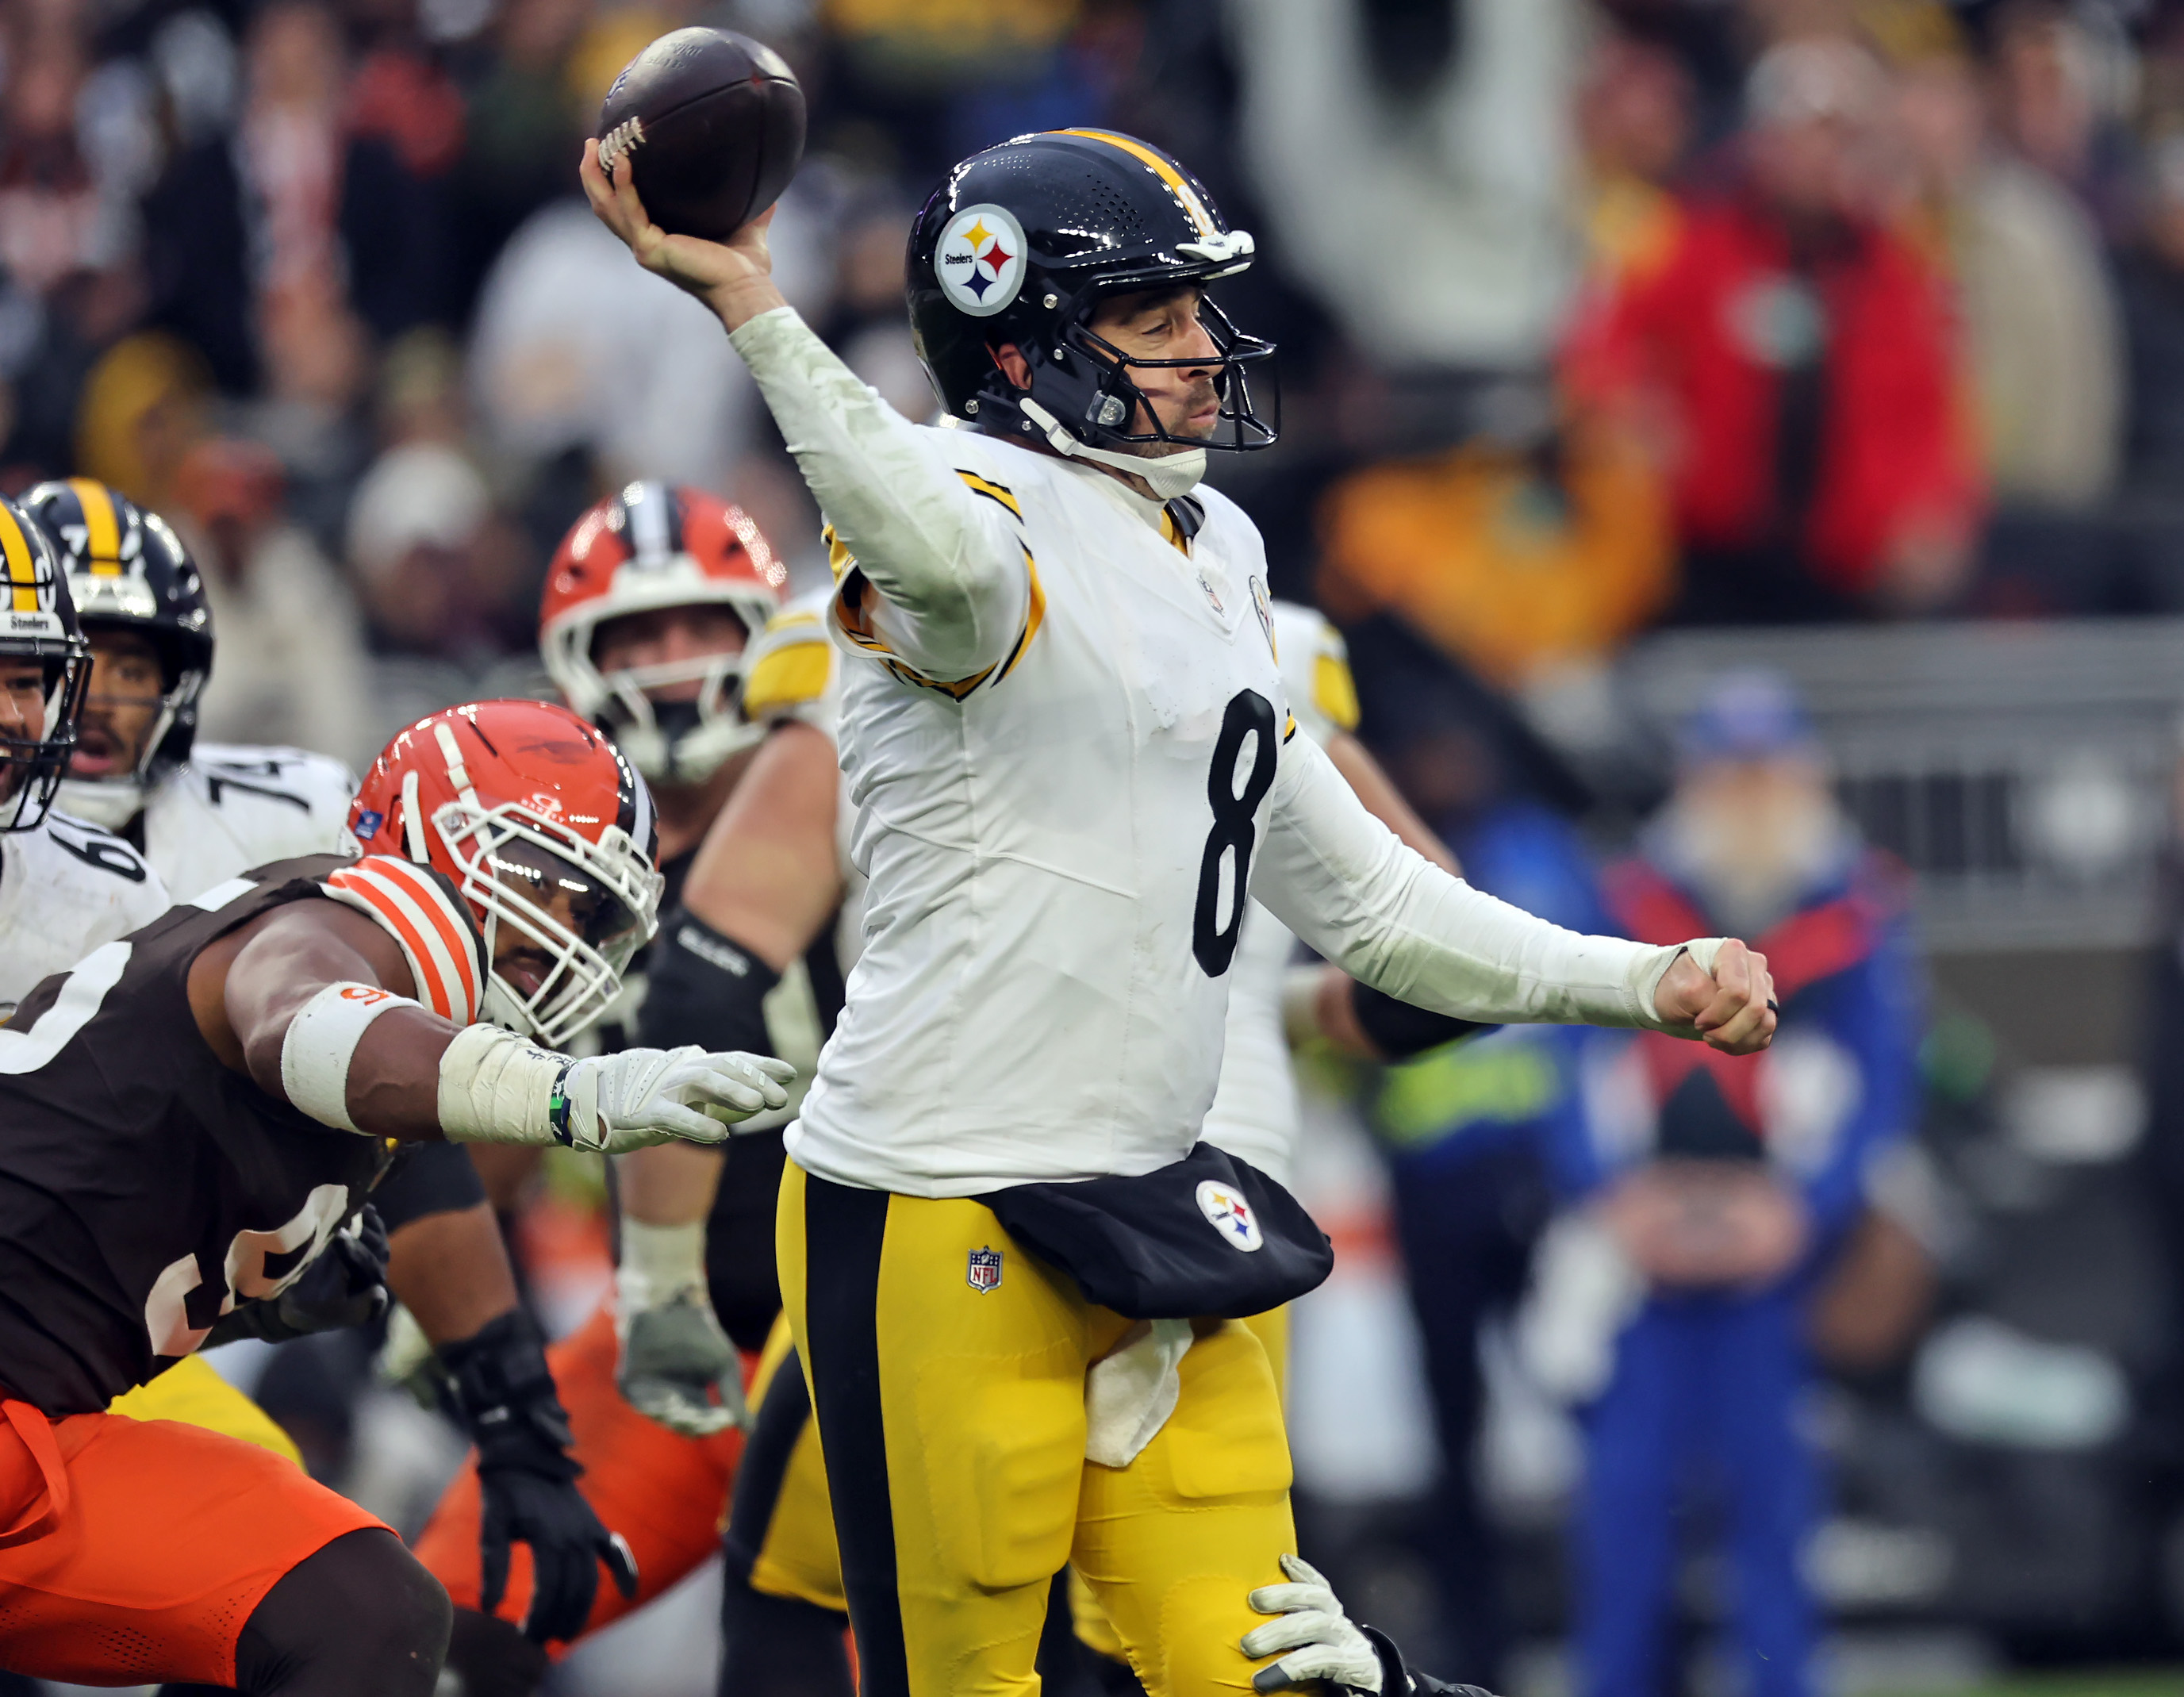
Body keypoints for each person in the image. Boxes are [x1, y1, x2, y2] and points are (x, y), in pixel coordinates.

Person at [584, 125, 1778, 1697]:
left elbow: (1362, 893)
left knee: (1275, 1672)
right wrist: (751, 305)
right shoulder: (955, 511)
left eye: (1192, 309)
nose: (1203, 346)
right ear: (1019, 333)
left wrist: (1643, 978)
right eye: (1153, 315)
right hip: (944, 1207)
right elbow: (930, 543)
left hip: (1161, 1198)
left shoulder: (1214, 544)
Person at [0, 695, 792, 1691]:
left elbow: (424, 1183)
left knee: (358, 1608)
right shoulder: (344, 922)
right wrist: (568, 1096)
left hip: (39, 1440)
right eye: (539, 876)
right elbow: (294, 1021)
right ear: (420, 837)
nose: (558, 927)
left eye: (587, 910)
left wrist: (521, 1438)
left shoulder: (399, 1076)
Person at [412, 480, 789, 1690]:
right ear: (578, 662)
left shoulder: (859, 794)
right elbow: (497, 1106)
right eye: (638, 636)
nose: (674, 665)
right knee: (432, 1621)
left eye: (699, 628)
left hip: (873, 1315)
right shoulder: (559, 867)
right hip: (664, 1335)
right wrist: (433, 1294)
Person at [1525, 672, 1921, 1697]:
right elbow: (1558, 1059)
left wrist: (1799, 1211)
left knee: (1773, 1517)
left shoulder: (1853, 911)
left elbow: (1882, 1085)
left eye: (1766, 772)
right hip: (1638, 1259)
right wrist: (1614, 1198)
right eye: (1728, 772)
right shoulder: (1619, 899)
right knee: (1623, 1513)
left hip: (1773, 1265)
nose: (1748, 797)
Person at [23, 477, 358, 903]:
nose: (97, 702)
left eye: (129, 671)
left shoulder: (302, 817)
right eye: (68, 666)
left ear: (176, 685)